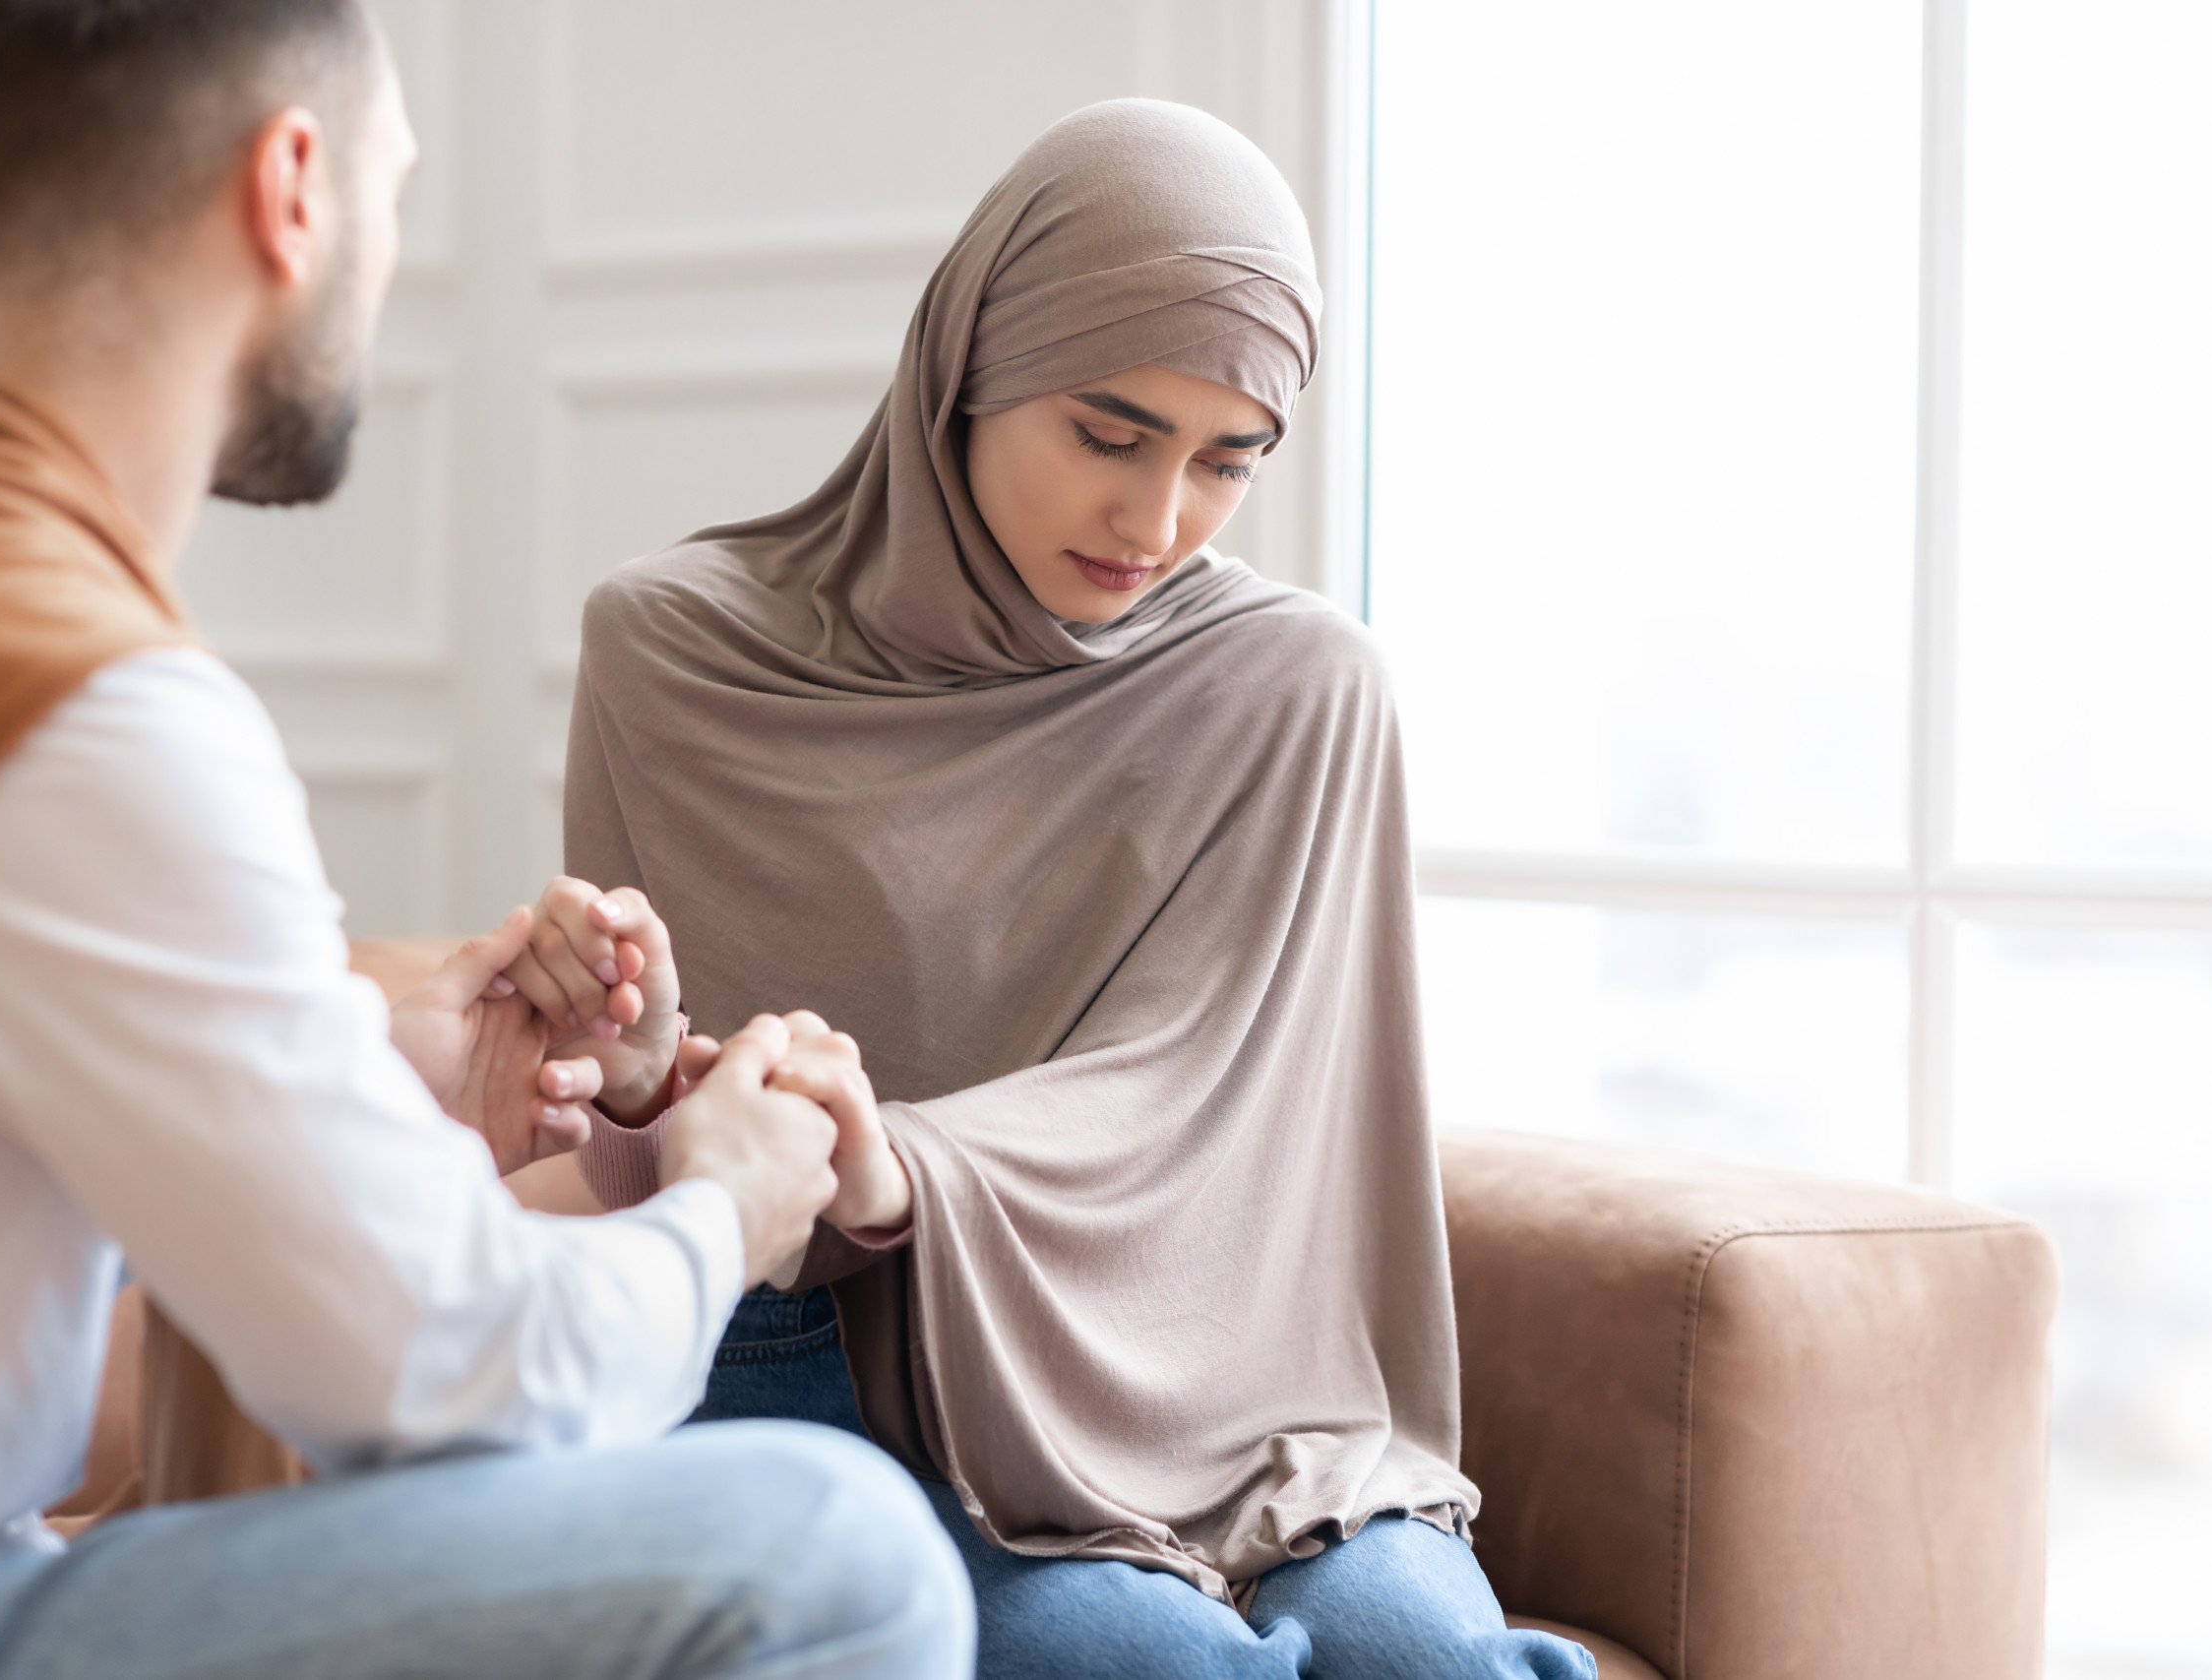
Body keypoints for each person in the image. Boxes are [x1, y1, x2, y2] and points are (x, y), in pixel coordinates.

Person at [0, 4, 973, 1679]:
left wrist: (353, 1065)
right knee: (840, 1557)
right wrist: (721, 1208)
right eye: (392, 187)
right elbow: (462, 1383)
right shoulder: (77, 712)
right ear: (293, 186)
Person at [512, 99, 1596, 1679]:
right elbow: (674, 1178)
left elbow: (1216, 1108)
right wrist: (634, 1078)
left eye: (1229, 462)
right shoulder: (678, 650)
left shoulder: (1298, 687)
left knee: (1425, 1663)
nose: (1156, 523)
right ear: (967, 369)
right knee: (1141, 1663)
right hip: (853, 1390)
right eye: (1110, 434)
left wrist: (909, 1175)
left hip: (1236, 1394)